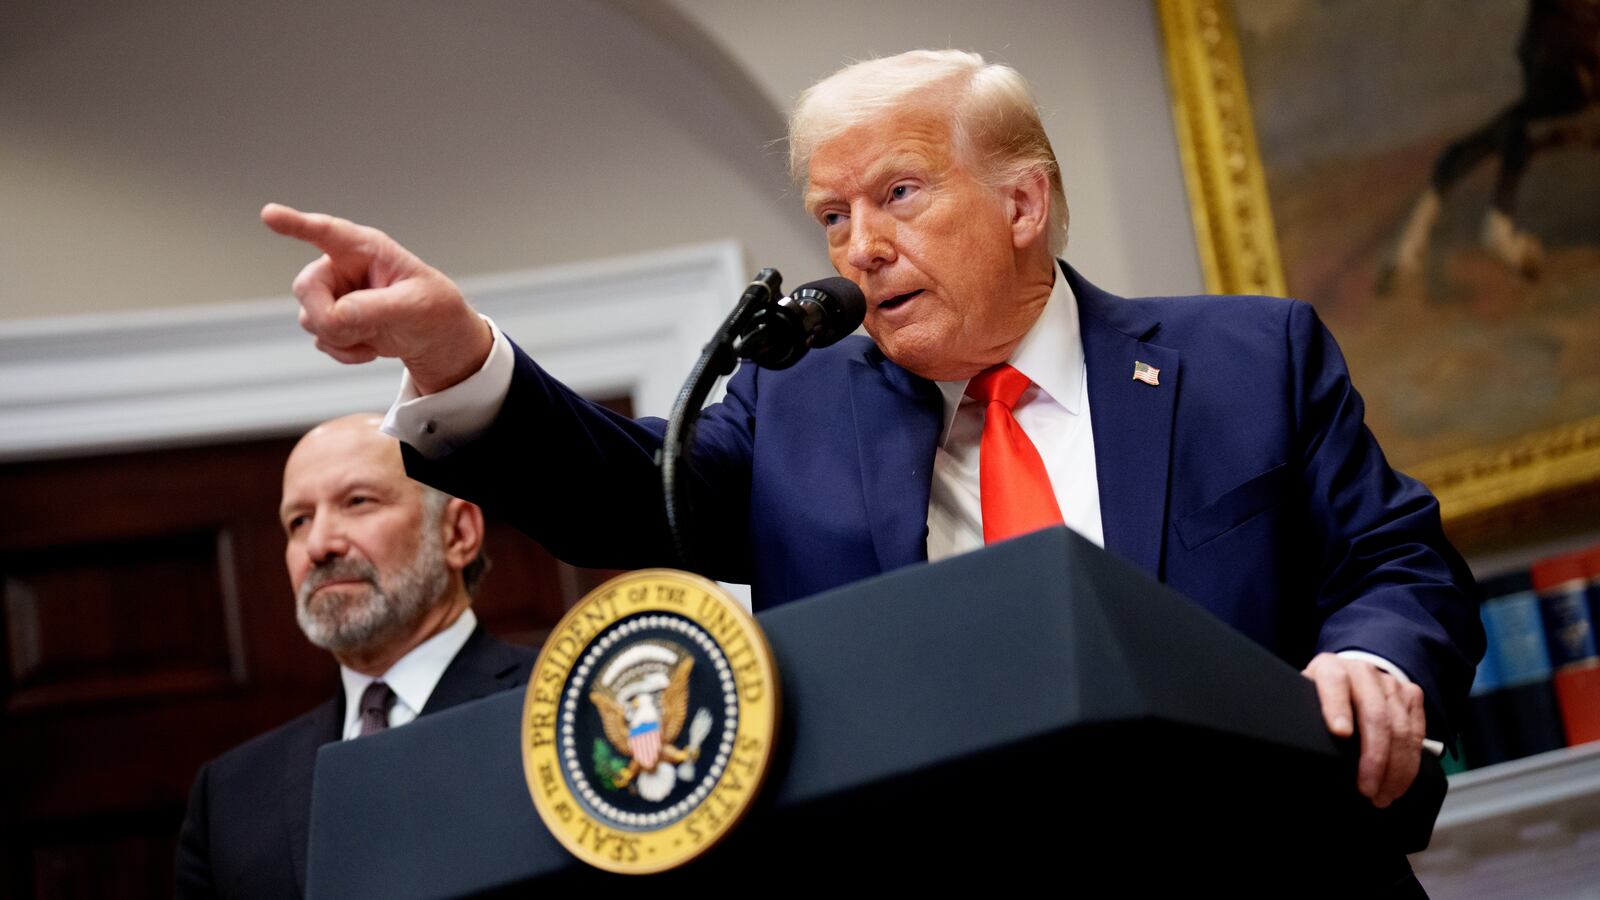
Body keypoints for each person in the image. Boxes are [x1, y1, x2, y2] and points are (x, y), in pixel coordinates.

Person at [260, 48, 1480, 829]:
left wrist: (1375, 659)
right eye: (831, 216)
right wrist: (452, 351)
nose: (857, 248)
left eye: (897, 194)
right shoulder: (799, 409)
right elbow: (628, 496)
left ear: (1021, 201)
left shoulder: (1244, 361)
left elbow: (1399, 562)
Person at [174, 415, 534, 900]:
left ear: (458, 534)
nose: (320, 544)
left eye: (358, 502)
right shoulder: (231, 795)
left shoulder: (559, 709)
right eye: (298, 521)